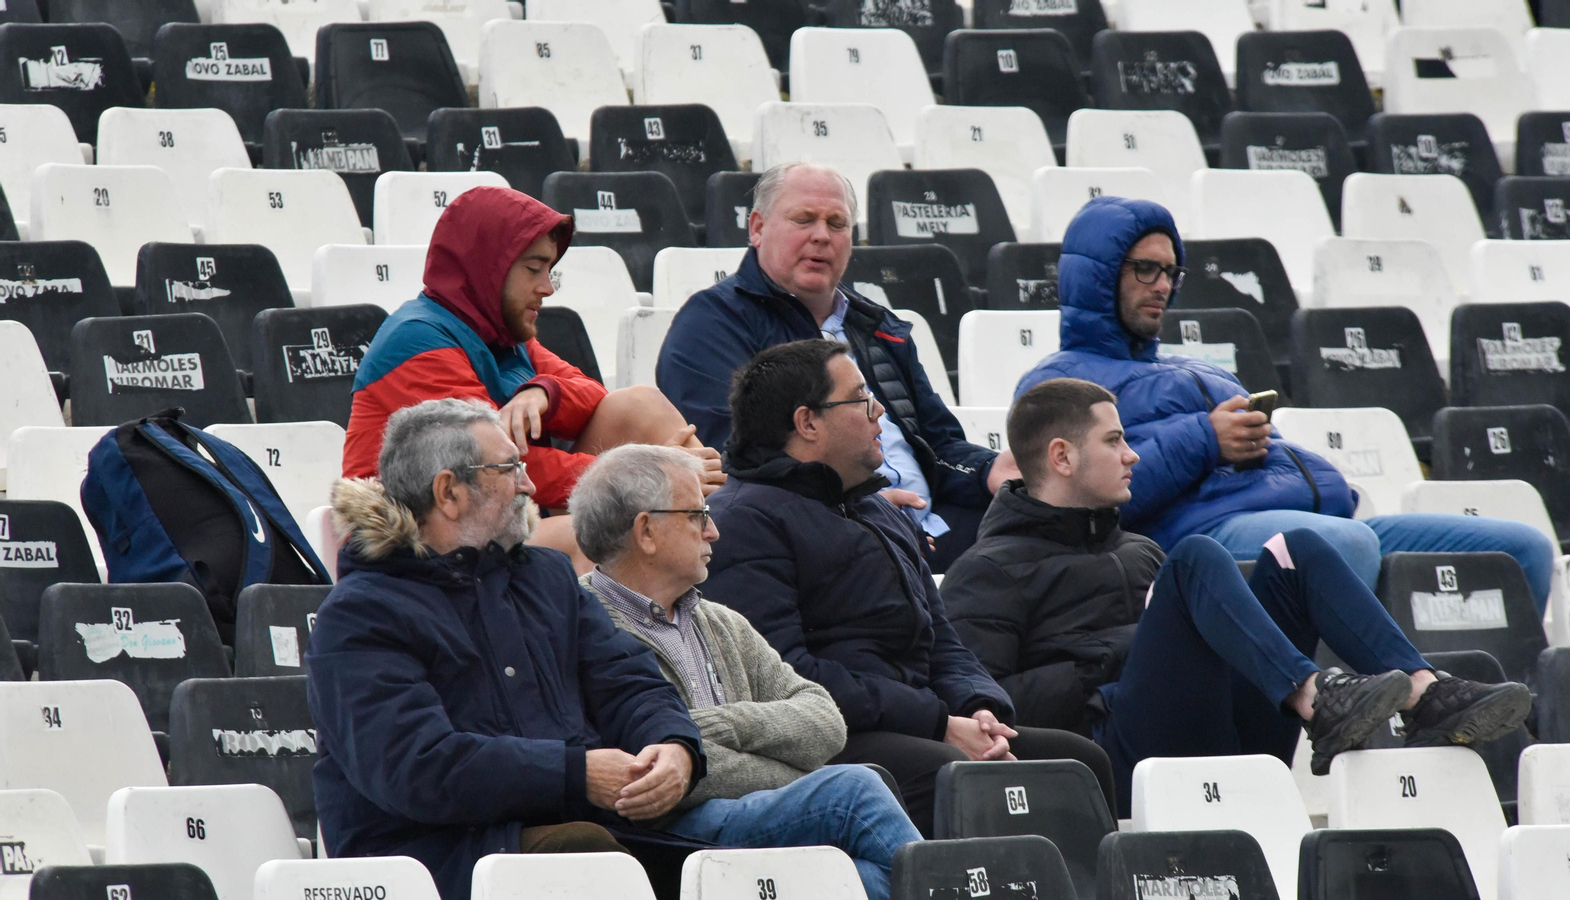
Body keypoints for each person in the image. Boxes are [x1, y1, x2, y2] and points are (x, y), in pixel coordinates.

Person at [941, 378, 1534, 814]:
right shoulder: (987, 570)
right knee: (1197, 557)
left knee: (1296, 549)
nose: (1133, 455)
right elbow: (988, 716)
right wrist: (1117, 656)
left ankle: (1424, 693)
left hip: (1219, 731)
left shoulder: (1138, 550)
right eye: (1116, 440)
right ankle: (1314, 699)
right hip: (1120, 761)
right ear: (1062, 456)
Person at [1015, 196, 1555, 610]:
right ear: (1099, 273)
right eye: (1145, 269)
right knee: (1347, 546)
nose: (1162, 286)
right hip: (1194, 540)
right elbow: (1077, 497)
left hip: (1303, 519)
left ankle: (1482, 708)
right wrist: (1207, 439)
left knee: (1522, 548)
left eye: (1171, 272)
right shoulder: (1059, 381)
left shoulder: (1196, 368)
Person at [701, 339, 1114, 835]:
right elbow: (788, 675)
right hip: (836, 737)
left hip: (921, 720)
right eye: (860, 399)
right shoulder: (744, 522)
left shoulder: (876, 509)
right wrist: (938, 723)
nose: (880, 413)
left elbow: (942, 638)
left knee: (1080, 761)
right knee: (953, 775)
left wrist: (978, 709)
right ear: (808, 422)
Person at [309, 398, 705, 900]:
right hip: (433, 858)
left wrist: (673, 748)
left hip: (585, 834)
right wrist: (576, 774)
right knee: (586, 857)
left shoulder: (548, 577)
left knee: (738, 853)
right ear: (448, 492)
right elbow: (419, 768)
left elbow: (628, 682)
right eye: (510, 468)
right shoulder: (362, 613)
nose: (530, 485)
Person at [567, 443, 922, 900]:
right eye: (698, 515)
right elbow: (650, 766)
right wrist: (793, 774)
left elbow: (824, 720)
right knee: (852, 789)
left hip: (744, 815)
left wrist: (715, 728)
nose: (714, 531)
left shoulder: (721, 621)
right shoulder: (583, 624)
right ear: (647, 532)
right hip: (664, 836)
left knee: (866, 879)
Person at [656, 161, 1018, 569]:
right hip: (826, 535)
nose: (821, 236)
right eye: (804, 219)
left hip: (928, 524)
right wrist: (861, 505)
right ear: (757, 228)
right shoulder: (711, 323)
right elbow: (735, 462)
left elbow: (937, 443)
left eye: (837, 223)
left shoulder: (878, 324)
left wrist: (988, 469)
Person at [343, 186, 724, 564]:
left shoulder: (500, 331)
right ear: (487, 265)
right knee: (592, 539)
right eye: (533, 269)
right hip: (423, 531)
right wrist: (653, 475)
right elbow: (487, 467)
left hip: (498, 511)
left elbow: (593, 396)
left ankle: (711, 540)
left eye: (550, 271)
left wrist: (544, 392)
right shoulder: (416, 340)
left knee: (638, 405)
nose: (546, 288)